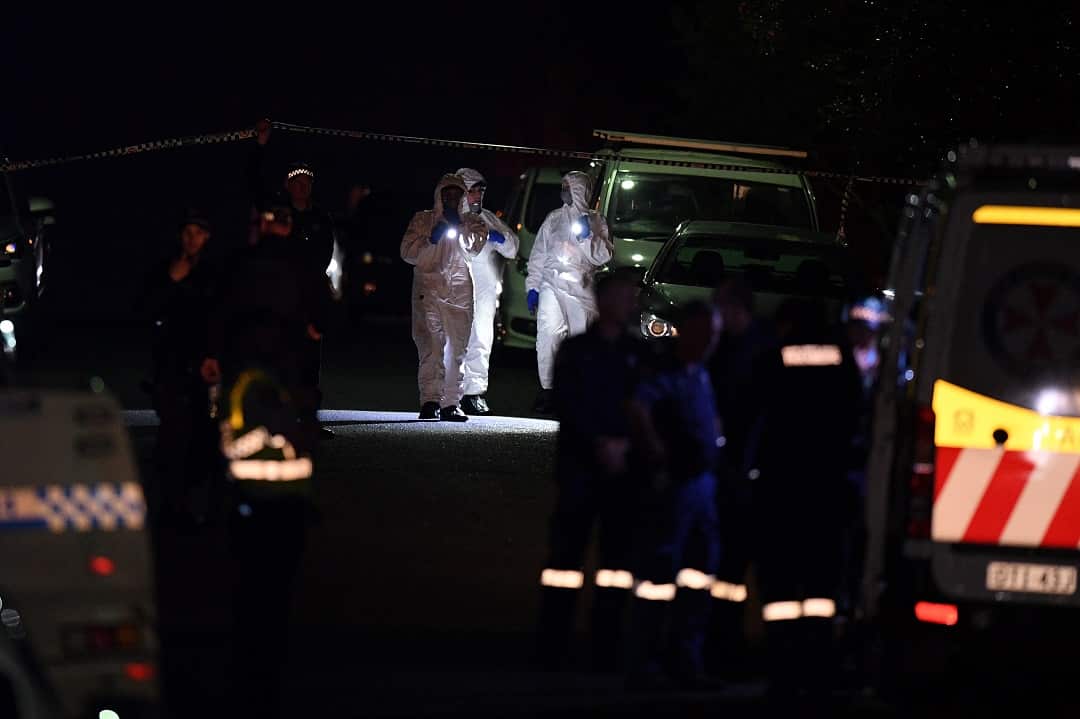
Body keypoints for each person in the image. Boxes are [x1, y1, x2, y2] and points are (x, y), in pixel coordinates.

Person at [200, 197, 322, 719]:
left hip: (279, 501)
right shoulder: (254, 386)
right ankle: (253, 680)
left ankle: (261, 678)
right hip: (257, 501)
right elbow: (232, 444)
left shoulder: (281, 383)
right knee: (256, 599)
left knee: (267, 601)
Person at [535, 268, 649, 672]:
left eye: (631, 296)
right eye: (621, 296)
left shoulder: (636, 354)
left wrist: (628, 447)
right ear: (602, 302)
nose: (629, 303)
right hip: (582, 468)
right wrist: (601, 443)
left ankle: (606, 640)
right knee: (566, 560)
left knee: (616, 564)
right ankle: (553, 641)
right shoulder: (578, 350)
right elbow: (568, 405)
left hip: (621, 475)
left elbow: (644, 408)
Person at [753, 296, 863, 698]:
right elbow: (855, 412)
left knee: (781, 580)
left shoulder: (775, 355)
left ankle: (781, 667)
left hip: (783, 485)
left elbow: (755, 412)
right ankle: (817, 665)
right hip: (826, 486)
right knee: (821, 581)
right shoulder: (840, 357)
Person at [625, 301, 724, 690]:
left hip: (702, 485)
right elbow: (637, 408)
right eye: (704, 334)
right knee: (660, 573)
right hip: (677, 485)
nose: (711, 342)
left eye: (714, 336)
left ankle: (686, 660)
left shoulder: (700, 372)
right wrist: (658, 454)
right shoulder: (666, 370)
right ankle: (646, 662)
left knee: (700, 572)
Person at [704, 275, 781, 675]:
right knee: (726, 567)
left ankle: (737, 648)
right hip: (733, 468)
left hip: (753, 473)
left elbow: (760, 414)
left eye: (722, 309)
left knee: (741, 562)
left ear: (737, 310)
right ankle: (724, 642)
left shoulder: (758, 351)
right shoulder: (731, 347)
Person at [249, 118, 339, 438]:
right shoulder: (278, 212)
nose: (302, 185)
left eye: (307, 180)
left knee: (310, 360)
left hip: (310, 295)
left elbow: (327, 253)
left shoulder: (320, 217)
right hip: (280, 294)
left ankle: (309, 418)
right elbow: (255, 186)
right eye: (296, 180)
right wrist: (260, 146)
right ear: (287, 185)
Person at [140, 209, 220, 528]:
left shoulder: (214, 272)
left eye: (198, 232)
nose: (192, 238)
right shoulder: (165, 268)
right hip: (171, 362)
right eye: (187, 232)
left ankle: (197, 503)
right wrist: (171, 281)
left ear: (207, 236)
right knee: (172, 435)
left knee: (203, 433)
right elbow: (146, 309)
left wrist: (214, 355)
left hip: (202, 363)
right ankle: (172, 507)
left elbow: (218, 316)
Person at [401, 173, 490, 421]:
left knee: (456, 349)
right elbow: (408, 253)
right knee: (431, 346)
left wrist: (458, 227)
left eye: (456, 194)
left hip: (459, 294)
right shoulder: (423, 220)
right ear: (439, 195)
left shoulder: (473, 222)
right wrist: (432, 239)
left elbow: (473, 247)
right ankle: (430, 400)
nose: (451, 198)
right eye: (447, 194)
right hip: (428, 291)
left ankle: (451, 402)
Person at [526, 171, 613, 415]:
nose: (563, 191)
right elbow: (538, 255)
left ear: (579, 190)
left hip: (580, 286)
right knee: (547, 336)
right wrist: (532, 287)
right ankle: (548, 391)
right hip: (551, 284)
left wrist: (587, 237)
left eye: (567, 187)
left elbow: (603, 256)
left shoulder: (597, 221)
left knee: (583, 338)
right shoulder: (553, 218)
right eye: (562, 186)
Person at [455, 167, 519, 416]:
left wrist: (500, 238)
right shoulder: (451, 218)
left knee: (481, 339)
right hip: (457, 285)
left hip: (484, 288)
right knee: (454, 340)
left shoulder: (489, 218)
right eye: (472, 191)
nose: (477, 196)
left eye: (480, 191)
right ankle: (450, 394)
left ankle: (474, 393)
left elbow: (513, 248)